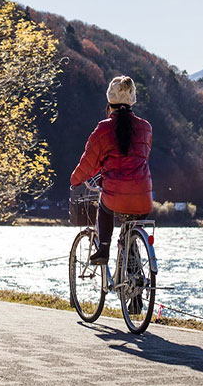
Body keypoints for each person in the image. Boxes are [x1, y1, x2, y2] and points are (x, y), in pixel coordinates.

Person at [70, 75, 153, 265]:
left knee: (105, 208)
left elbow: (89, 162)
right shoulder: (146, 128)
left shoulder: (104, 129)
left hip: (114, 196)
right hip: (143, 197)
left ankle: (104, 249)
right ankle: (133, 266)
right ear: (132, 100)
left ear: (110, 101)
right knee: (132, 228)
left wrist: (75, 179)